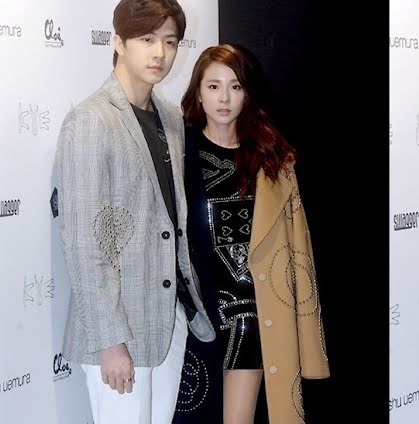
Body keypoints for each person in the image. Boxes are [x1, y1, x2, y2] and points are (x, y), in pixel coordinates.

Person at [53, 1, 216, 423]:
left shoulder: (171, 119)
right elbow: (84, 243)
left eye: (170, 42)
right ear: (119, 42)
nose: (160, 53)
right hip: (117, 328)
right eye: (147, 39)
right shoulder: (90, 121)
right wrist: (110, 341)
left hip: (168, 319)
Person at [176, 43, 330, 424]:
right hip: (192, 317)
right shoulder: (178, 155)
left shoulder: (271, 159)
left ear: (247, 93)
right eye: (213, 87)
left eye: (235, 86)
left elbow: (299, 250)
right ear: (198, 93)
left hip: (250, 317)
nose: (224, 98)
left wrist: (307, 336)